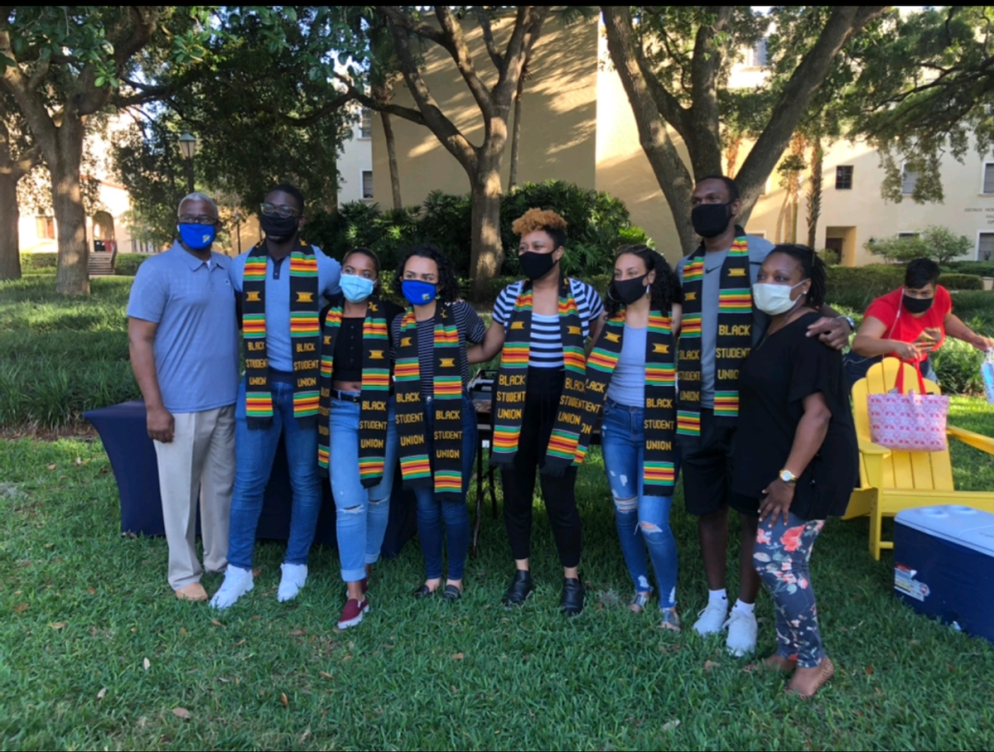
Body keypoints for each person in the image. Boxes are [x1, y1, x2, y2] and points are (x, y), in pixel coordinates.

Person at [675, 175, 853, 656]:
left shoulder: (762, 255)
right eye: (697, 201)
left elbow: (808, 299)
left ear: (734, 206)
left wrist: (844, 323)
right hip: (697, 405)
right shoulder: (685, 266)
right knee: (707, 508)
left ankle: (745, 609)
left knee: (753, 511)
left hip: (751, 410)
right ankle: (715, 601)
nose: (704, 207)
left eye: (713, 200)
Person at [731, 244, 858, 699]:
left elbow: (818, 415)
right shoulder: (774, 325)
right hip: (784, 466)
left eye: (782, 277)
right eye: (765, 273)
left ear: (805, 288)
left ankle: (813, 661)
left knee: (774, 560)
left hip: (811, 469)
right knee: (786, 562)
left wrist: (787, 479)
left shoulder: (814, 332)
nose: (769, 283)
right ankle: (786, 651)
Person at [210, 183, 342, 610]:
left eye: (286, 210)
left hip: (306, 386)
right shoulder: (238, 266)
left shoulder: (324, 266)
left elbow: (347, 312)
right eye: (269, 207)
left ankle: (296, 564)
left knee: (305, 480)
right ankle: (237, 572)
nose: (277, 214)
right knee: (249, 482)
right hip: (258, 385)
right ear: (260, 212)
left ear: (300, 219)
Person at [470, 208, 605, 615]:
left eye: (538, 247)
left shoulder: (583, 295)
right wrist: (440, 353)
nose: (529, 253)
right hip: (515, 399)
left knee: (560, 494)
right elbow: (488, 348)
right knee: (516, 493)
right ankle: (522, 573)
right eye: (524, 247)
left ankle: (571, 578)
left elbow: (598, 346)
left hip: (564, 400)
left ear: (558, 252)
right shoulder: (511, 295)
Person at [127, 192, 239, 602]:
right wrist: (154, 406)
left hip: (225, 398)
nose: (199, 223)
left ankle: (219, 561)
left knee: (220, 488)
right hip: (178, 404)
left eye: (206, 218)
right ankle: (183, 574)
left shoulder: (228, 267)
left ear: (217, 224)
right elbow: (140, 339)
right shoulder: (157, 270)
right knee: (179, 494)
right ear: (177, 222)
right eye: (190, 217)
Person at [579, 245, 684, 629]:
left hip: (660, 424)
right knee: (625, 512)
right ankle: (642, 587)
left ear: (651, 275)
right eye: (618, 274)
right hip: (617, 424)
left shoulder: (671, 317)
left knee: (653, 521)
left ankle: (669, 601)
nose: (623, 280)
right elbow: (595, 366)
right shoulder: (610, 321)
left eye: (631, 272)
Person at [392, 244, 485, 602]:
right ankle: (432, 576)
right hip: (413, 414)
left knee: (451, 499)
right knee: (425, 503)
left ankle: (455, 578)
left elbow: (484, 341)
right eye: (411, 276)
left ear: (441, 282)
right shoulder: (399, 324)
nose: (418, 283)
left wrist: (461, 360)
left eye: (427, 277)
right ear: (401, 279)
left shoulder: (460, 313)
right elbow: (396, 366)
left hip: (453, 414)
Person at [317, 248, 404, 629]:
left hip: (382, 412)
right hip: (339, 413)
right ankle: (355, 593)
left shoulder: (390, 316)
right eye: (350, 270)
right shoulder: (327, 314)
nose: (356, 277)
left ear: (375, 280)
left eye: (365, 272)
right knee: (350, 503)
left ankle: (366, 563)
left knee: (378, 496)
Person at [851, 257, 994, 382]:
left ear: (935, 290)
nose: (917, 298)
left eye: (925, 293)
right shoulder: (885, 306)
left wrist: (971, 337)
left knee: (932, 409)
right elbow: (861, 343)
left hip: (919, 364)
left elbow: (947, 319)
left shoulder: (941, 296)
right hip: (877, 366)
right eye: (912, 292)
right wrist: (894, 345)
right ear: (904, 286)